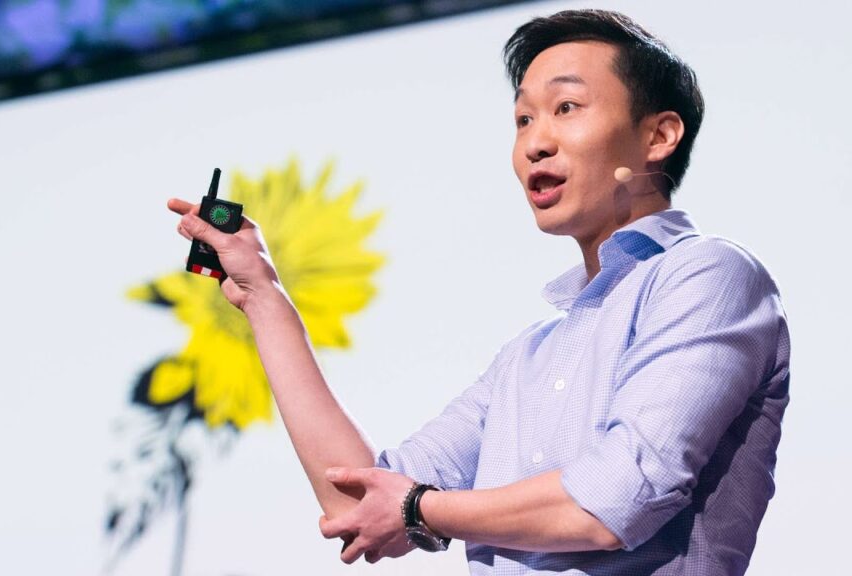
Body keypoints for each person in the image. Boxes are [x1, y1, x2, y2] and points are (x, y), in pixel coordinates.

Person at [168, 9, 790, 575]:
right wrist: (263, 295)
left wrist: (419, 508)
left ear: (658, 136)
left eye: (566, 107)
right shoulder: (527, 358)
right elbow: (357, 501)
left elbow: (615, 500)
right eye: (523, 119)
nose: (535, 142)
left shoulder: (710, 274)